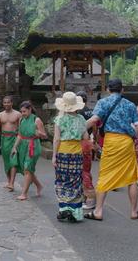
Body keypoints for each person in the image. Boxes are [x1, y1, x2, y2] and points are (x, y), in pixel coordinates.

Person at [84, 79, 138, 221]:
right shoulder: (130, 104)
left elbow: (93, 120)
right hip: (127, 142)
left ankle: (98, 211)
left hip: (111, 142)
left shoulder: (103, 102)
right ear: (122, 90)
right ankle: (134, 211)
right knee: (132, 178)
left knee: (105, 175)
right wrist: (133, 136)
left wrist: (77, 131)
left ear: (108, 90)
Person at [52, 92, 88, 222]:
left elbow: (56, 139)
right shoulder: (81, 119)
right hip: (76, 154)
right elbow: (86, 137)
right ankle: (76, 212)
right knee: (75, 181)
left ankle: (64, 209)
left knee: (62, 180)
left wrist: (54, 156)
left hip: (63, 152)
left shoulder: (59, 120)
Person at [11, 101, 46, 201]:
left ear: (30, 109)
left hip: (33, 145)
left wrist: (37, 132)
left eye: (24, 111)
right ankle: (39, 185)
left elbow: (44, 135)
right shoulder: (21, 119)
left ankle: (24, 193)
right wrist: (14, 147)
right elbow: (19, 135)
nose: (22, 113)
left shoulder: (36, 120)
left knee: (27, 169)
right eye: (21, 111)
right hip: (23, 145)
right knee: (26, 169)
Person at [0, 95, 21, 191]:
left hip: (14, 138)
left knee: (13, 161)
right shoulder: (0, 115)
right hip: (4, 139)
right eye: (5, 102)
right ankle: (9, 181)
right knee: (7, 162)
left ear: (12, 103)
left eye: (8, 102)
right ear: (3, 103)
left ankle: (12, 183)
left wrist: (20, 140)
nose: (6, 104)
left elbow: (21, 129)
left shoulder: (18, 114)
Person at [76, 91, 96, 210]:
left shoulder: (79, 114)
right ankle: (86, 196)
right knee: (86, 170)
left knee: (83, 172)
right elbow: (94, 127)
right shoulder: (90, 111)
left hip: (81, 143)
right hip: (88, 142)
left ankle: (89, 198)